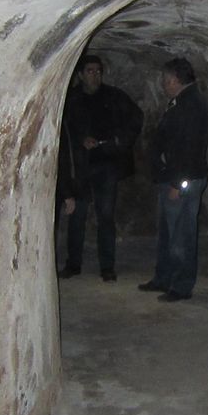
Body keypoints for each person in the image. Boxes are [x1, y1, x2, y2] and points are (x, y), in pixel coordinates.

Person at [59, 54, 143, 282]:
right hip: (80, 167)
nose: (94, 75)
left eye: (98, 71)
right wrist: (79, 141)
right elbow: (62, 130)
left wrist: (117, 141)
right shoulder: (70, 100)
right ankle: (73, 264)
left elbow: (136, 118)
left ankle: (107, 266)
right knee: (77, 216)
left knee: (106, 216)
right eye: (89, 71)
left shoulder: (114, 96)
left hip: (106, 165)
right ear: (80, 75)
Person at [138, 57, 208, 302]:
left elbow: (188, 150)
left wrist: (179, 184)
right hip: (173, 178)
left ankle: (180, 285)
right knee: (170, 233)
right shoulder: (182, 102)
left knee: (182, 236)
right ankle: (164, 278)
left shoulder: (190, 105)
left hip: (181, 181)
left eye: (165, 80)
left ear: (176, 80)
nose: (163, 84)